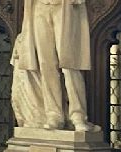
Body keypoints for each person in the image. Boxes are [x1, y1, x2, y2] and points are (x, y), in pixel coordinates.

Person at [15, 0, 99, 131]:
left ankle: (78, 116)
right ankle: (54, 115)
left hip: (64, 7)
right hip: (39, 7)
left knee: (70, 65)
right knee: (46, 66)